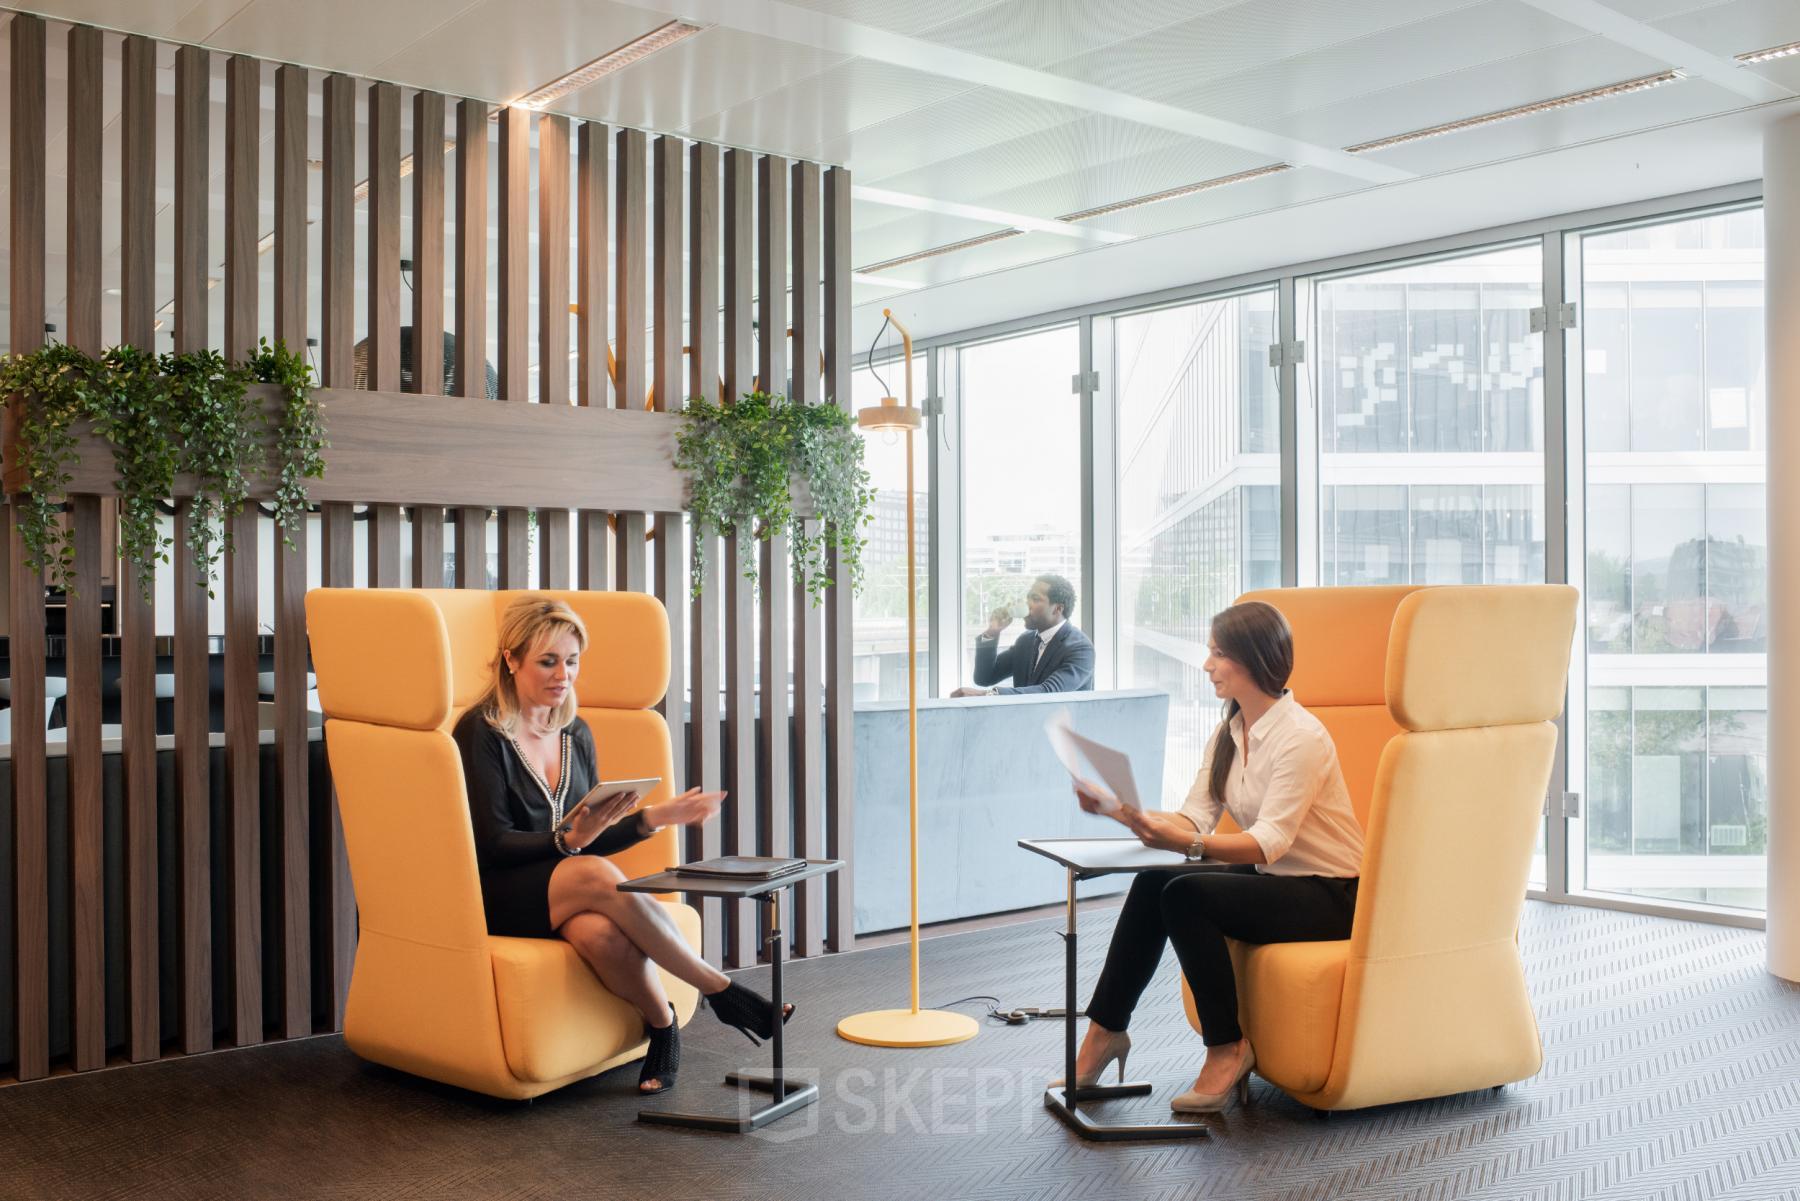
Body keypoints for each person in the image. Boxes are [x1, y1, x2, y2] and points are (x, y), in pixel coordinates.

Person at [453, 594, 791, 1096]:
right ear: (511, 658)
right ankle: (719, 989)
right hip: (499, 893)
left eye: (571, 662)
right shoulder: (481, 733)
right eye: (547, 661)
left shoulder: (576, 732)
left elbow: (590, 838)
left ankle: (662, 1026)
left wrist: (655, 817)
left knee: (599, 934)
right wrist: (568, 839)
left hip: (567, 888)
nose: (562, 674)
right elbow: (493, 843)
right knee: (589, 871)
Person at [1062, 600, 1363, 1113]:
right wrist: (1121, 811)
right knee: (1157, 880)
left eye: (1218, 654)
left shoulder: (1302, 738)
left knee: (1186, 893)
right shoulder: (1230, 732)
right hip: (1278, 878)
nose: (1207, 666)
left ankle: (1228, 1047)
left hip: (1331, 892)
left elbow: (1269, 841)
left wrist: (1185, 845)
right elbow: (1193, 820)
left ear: (1256, 660)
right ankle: (1106, 1032)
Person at [951, 574, 1094, 697]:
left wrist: (988, 695)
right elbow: (984, 677)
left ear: (1057, 609)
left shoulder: (1080, 648)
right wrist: (992, 631)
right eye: (1028, 598)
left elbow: (1049, 691)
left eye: (1035, 599)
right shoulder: (1026, 641)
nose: (1027, 604)